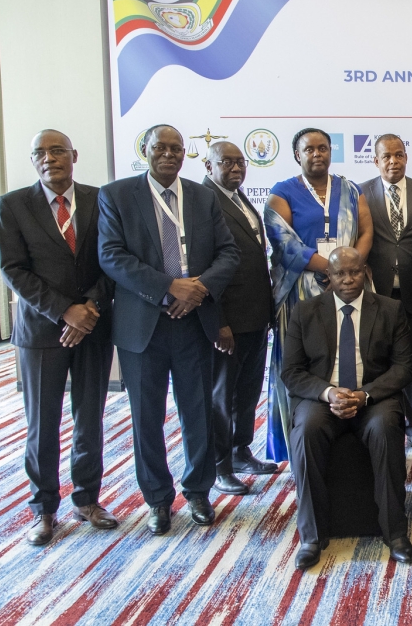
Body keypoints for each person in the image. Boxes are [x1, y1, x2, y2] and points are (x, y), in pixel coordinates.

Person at [98, 124, 240, 534]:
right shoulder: (118, 195)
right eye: (160, 147)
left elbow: (228, 252)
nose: (170, 154)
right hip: (143, 326)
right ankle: (157, 499)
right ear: (145, 150)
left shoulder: (201, 196)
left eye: (177, 148)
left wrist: (198, 290)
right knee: (147, 417)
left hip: (195, 323)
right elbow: (112, 256)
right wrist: (167, 288)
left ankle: (198, 490)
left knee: (197, 411)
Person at [0, 129, 116, 545]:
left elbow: (112, 260)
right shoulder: (11, 206)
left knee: (90, 418)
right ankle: (43, 508)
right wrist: (65, 311)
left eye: (58, 150)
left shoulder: (102, 199)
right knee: (43, 424)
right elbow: (13, 270)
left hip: (94, 327)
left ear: (74, 155)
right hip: (43, 332)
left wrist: (89, 308)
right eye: (40, 153)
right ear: (33, 161)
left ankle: (86, 499)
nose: (50, 158)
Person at [282, 247, 412, 569]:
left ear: (366, 271)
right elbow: (291, 372)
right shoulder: (305, 312)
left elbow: (403, 368)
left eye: (354, 272)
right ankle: (312, 536)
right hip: (323, 400)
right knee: (306, 432)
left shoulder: (389, 309)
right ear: (328, 276)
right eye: (340, 273)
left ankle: (395, 533)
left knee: (385, 429)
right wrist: (328, 393)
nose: (348, 279)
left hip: (372, 399)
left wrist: (364, 395)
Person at [264, 128, 373, 461]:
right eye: (309, 149)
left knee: (351, 354)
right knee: (303, 361)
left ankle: (352, 420)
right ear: (298, 155)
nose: (317, 154)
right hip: (303, 290)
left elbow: (367, 231)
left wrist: (348, 271)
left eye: (323, 148)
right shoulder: (281, 192)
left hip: (350, 288)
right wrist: (334, 270)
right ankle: (294, 438)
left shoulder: (351, 189)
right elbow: (285, 242)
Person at [202, 142, 278, 496]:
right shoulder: (203, 201)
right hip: (227, 322)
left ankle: (240, 450)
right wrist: (218, 321)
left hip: (255, 317)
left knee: (247, 390)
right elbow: (206, 269)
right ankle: (219, 465)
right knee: (222, 395)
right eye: (226, 162)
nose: (235, 168)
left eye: (239, 162)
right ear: (208, 164)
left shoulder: (240, 198)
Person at [360, 134, 412, 455]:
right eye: (386, 156)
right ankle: (385, 424)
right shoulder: (359, 193)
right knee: (377, 363)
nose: (394, 161)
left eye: (399, 155)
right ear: (375, 160)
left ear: (406, 157)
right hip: (375, 296)